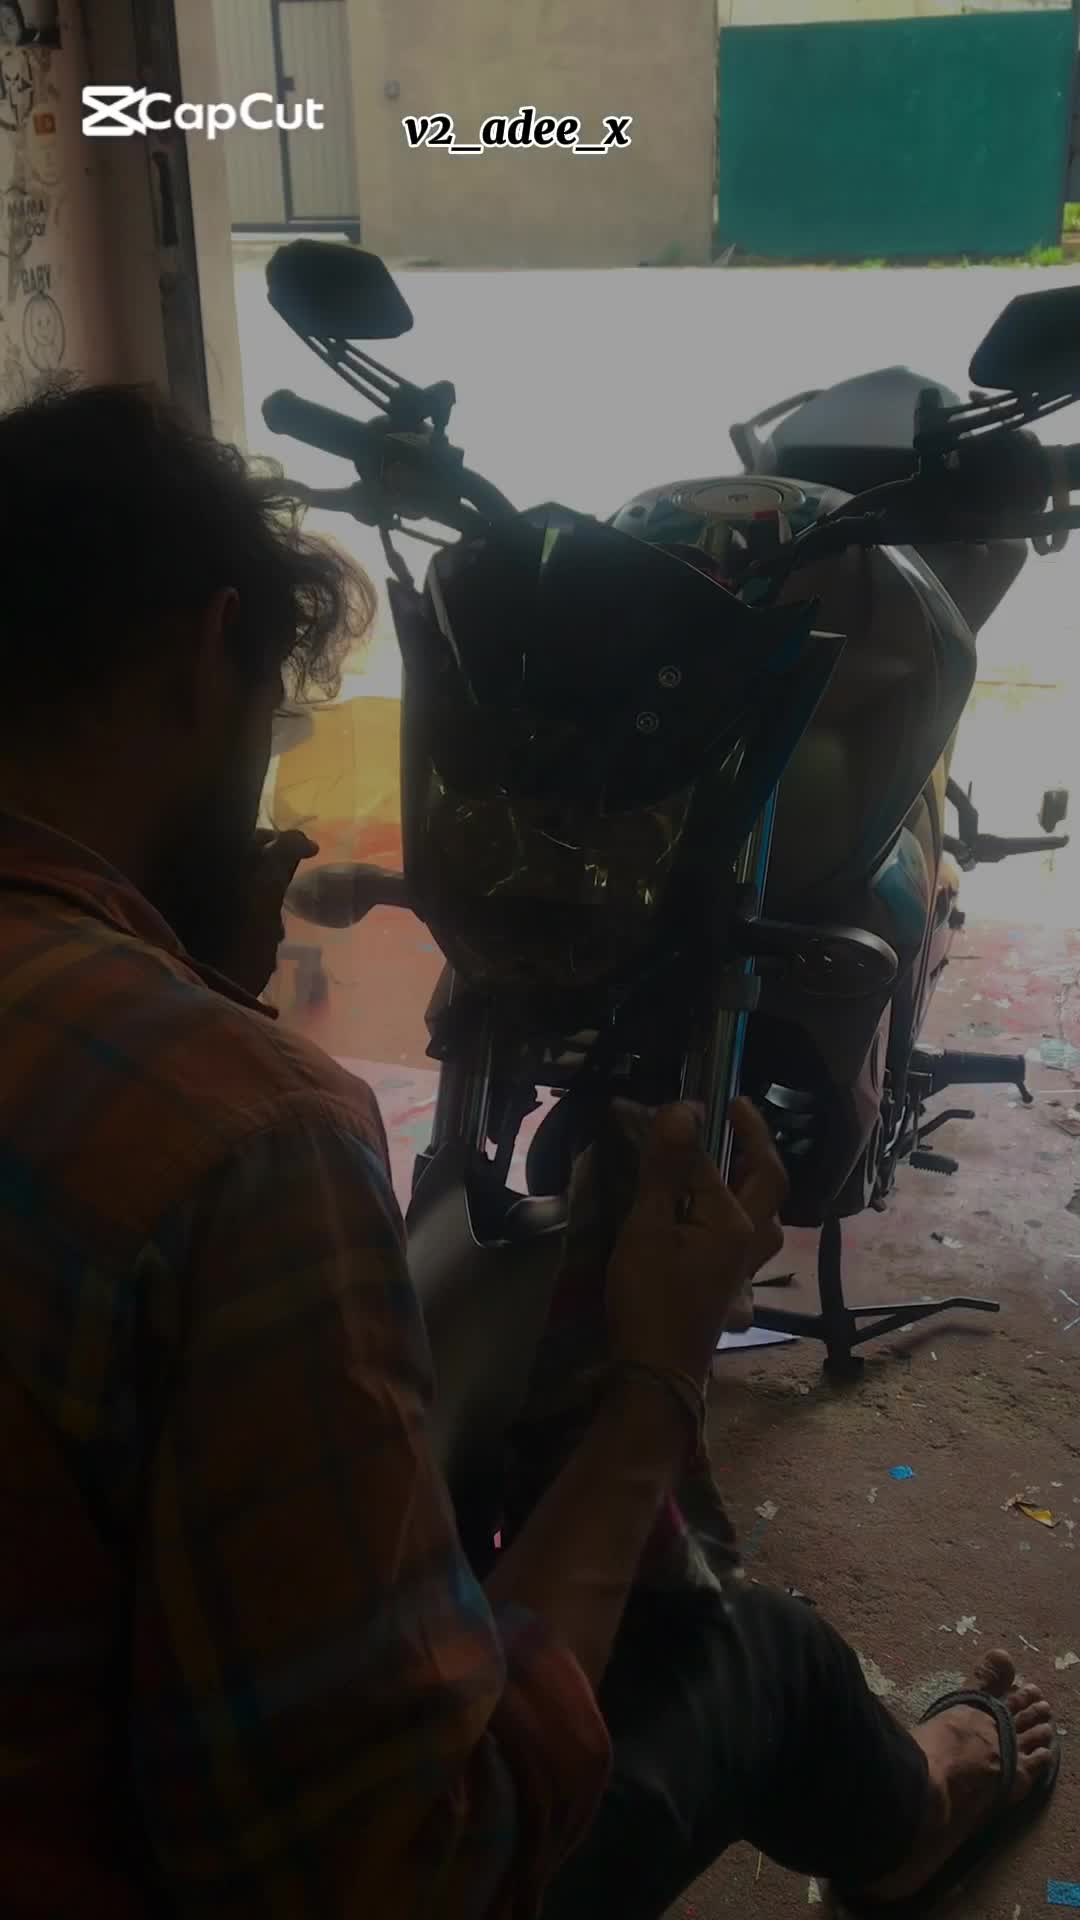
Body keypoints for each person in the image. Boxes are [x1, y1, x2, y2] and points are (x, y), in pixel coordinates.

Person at [0, 383, 1059, 1920]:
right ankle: (920, 1815)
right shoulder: (236, 1134)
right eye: (271, 711)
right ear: (207, 650)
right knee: (757, 1653)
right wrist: (657, 1373)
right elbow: (412, 1873)